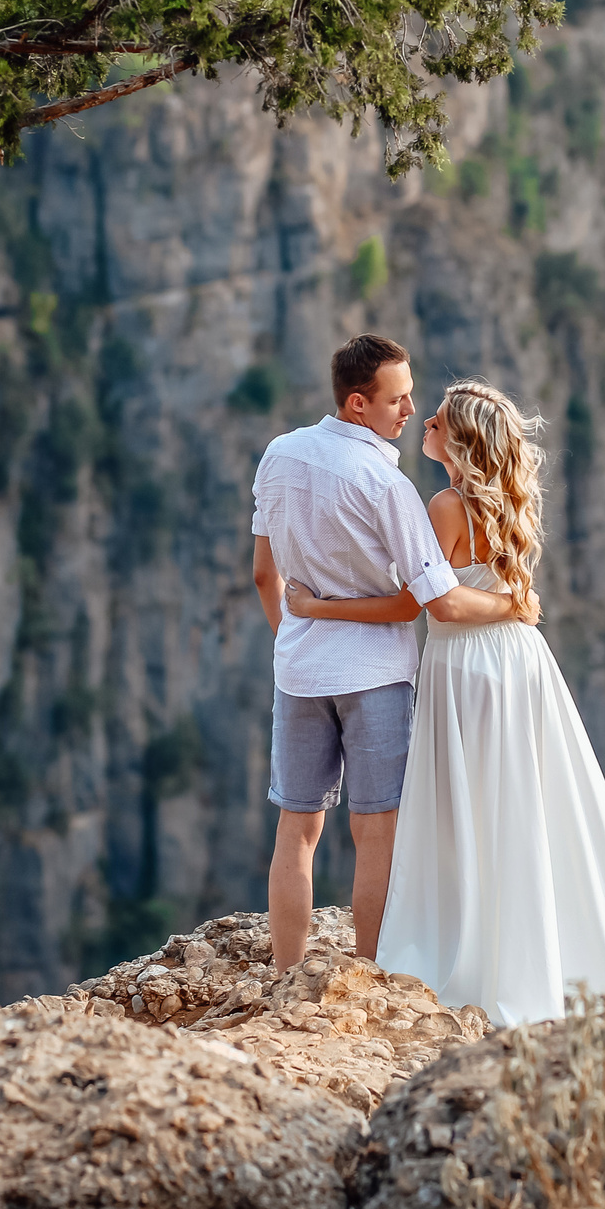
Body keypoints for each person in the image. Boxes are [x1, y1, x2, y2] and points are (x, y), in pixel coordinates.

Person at [286, 377, 605, 1026]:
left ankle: (477, 947)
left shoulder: (445, 505)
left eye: (440, 417)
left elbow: (429, 602)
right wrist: (513, 605)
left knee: (471, 809)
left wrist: (316, 605)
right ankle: (521, 944)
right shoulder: (505, 499)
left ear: (460, 437)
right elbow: (464, 596)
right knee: (518, 806)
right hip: (518, 662)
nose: (425, 419)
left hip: (470, 667)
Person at [250, 336, 539, 972]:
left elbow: (264, 574)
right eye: (399, 398)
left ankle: (284, 974)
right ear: (359, 404)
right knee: (374, 833)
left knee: (296, 829)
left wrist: (296, 640)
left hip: (299, 670)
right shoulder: (390, 487)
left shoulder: (278, 455)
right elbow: (428, 602)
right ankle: (369, 972)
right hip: (375, 675)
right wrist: (515, 601)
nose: (411, 409)